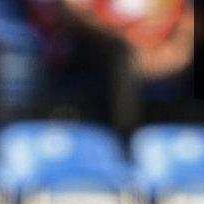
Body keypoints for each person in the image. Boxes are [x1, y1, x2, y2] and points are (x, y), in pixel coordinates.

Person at [29, 0, 191, 135]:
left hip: (162, 63)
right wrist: (127, 48)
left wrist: (171, 57)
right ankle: (123, 139)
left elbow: (187, 25)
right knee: (119, 61)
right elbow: (73, 11)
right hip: (97, 59)